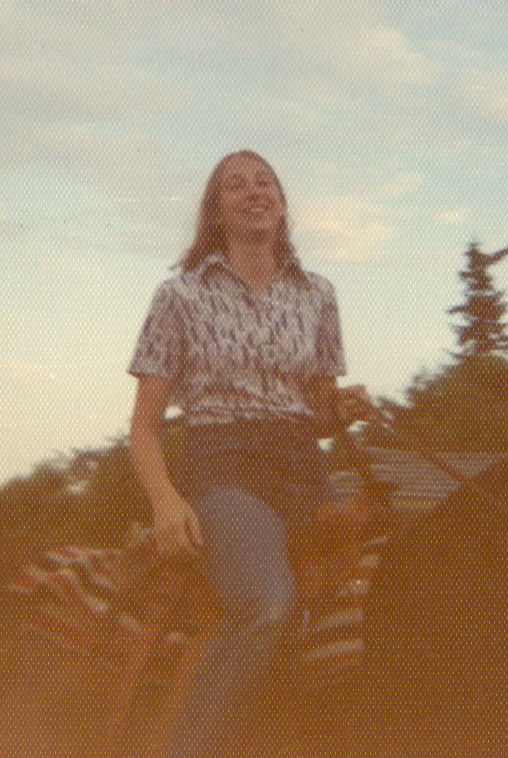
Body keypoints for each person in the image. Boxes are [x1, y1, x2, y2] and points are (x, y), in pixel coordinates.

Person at [127, 149, 372, 757]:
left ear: (282, 205)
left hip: (306, 469)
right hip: (224, 468)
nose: (254, 191)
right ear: (216, 212)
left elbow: (319, 412)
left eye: (265, 183)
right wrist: (166, 501)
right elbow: (145, 428)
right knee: (267, 604)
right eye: (235, 185)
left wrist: (343, 409)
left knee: (388, 587)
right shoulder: (180, 295)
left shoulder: (318, 295)